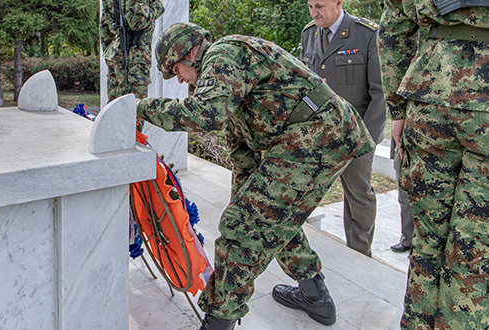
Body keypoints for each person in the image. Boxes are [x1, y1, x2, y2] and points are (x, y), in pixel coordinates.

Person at [135, 22, 375, 329]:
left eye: (176, 69)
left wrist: (140, 108)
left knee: (243, 228)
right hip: (314, 135)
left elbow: (204, 116)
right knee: (265, 217)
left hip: (318, 135)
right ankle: (316, 298)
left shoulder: (223, 55)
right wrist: (244, 201)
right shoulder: (224, 80)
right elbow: (242, 151)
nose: (179, 79)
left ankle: (218, 322)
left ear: (190, 52)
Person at [378, 1, 489, 328]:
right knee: (474, 251)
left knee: (428, 242)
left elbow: (392, 30)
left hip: (429, 97)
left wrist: (397, 109)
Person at [300, 0, 386, 257]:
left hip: (356, 134)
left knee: (358, 195)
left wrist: (365, 139)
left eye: (320, 6)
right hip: (320, 135)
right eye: (310, 6)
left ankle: (359, 253)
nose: (315, 13)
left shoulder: (367, 34)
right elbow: (309, 87)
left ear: (338, 2)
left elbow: (379, 93)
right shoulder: (309, 34)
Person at [99, 0, 164, 102]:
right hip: (135, 56)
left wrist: (110, 54)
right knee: (133, 107)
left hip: (116, 53)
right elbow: (137, 22)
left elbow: (104, 28)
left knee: (114, 107)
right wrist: (158, 5)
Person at [390, 135, 414, 253]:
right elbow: (397, 120)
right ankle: (407, 239)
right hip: (404, 148)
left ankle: (420, 247)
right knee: (404, 198)